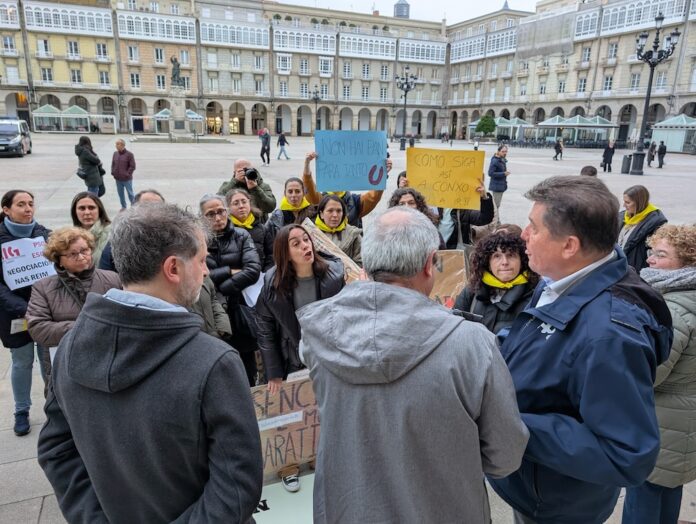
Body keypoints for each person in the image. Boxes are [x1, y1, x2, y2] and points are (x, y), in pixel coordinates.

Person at [298, 207, 529, 523]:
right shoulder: (474, 344)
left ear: (367, 264)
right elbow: (504, 455)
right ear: (428, 264)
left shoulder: (315, 334)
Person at [37, 203, 263, 523]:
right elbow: (237, 486)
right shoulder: (214, 362)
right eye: (200, 260)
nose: (205, 271)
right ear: (173, 268)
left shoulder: (72, 344)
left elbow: (56, 453)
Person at [488, 176, 673, 524]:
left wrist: (507, 422)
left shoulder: (609, 335)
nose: (523, 236)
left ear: (570, 245)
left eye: (533, 227)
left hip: (556, 504)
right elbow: (544, 341)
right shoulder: (568, 278)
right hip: (535, 485)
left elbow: (626, 454)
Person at [255, 224, 344, 492]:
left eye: (306, 239)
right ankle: (289, 465)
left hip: (327, 356)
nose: (306, 245)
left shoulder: (334, 275)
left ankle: (318, 455)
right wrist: (273, 372)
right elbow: (265, 329)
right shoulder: (272, 285)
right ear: (285, 253)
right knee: (292, 413)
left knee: (323, 409)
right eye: (296, 243)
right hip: (291, 356)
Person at [622, 224, 696, 524]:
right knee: (669, 489)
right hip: (683, 421)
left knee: (644, 497)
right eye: (652, 251)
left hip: (661, 422)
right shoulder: (682, 298)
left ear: (688, 262)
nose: (650, 259)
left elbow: (651, 374)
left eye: (661, 255)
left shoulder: (674, 309)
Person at [26, 227, 121, 389]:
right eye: (72, 254)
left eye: (85, 250)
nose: (81, 257)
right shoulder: (43, 287)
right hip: (64, 371)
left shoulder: (112, 279)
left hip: (106, 367)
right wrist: (83, 327)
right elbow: (37, 328)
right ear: (58, 259)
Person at [0, 190, 51, 436]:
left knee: (47, 361)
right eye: (21, 204)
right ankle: (22, 410)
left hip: (45, 314)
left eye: (31, 203)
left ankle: (54, 406)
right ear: (6, 209)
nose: (28, 208)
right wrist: (24, 309)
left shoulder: (45, 235)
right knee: (22, 362)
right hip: (15, 315)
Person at [200, 194, 262, 387]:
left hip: (240, 309)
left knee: (247, 363)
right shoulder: (198, 240)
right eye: (211, 214)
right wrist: (229, 270)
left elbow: (253, 270)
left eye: (220, 211)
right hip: (212, 311)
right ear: (202, 217)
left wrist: (223, 286)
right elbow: (201, 275)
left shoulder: (241, 235)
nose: (217, 217)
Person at [454, 231, 539, 336]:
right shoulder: (473, 290)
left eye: (511, 255)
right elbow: (455, 328)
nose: (505, 262)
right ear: (487, 263)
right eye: (497, 256)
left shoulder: (536, 292)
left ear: (522, 261)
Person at [302, 151, 389, 228]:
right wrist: (307, 165)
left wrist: (382, 173)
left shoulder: (356, 202)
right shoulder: (320, 200)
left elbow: (373, 197)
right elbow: (309, 189)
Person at [98, 189, 165, 272]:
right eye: (146, 206)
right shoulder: (118, 242)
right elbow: (106, 278)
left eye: (159, 207)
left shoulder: (176, 239)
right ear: (134, 210)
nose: (153, 211)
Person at [618, 185, 668, 272]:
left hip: (635, 269)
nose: (624, 205)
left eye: (628, 202)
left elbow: (655, 249)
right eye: (624, 201)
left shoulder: (656, 221)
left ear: (639, 202)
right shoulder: (623, 215)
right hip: (619, 265)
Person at [226, 188, 274, 271]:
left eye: (244, 202)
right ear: (228, 207)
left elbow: (271, 254)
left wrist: (266, 273)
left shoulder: (262, 229)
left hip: (260, 277)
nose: (241, 206)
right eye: (236, 203)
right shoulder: (225, 230)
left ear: (249, 203)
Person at [437, 185, 494, 250]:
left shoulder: (463, 209)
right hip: (431, 252)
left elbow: (484, 218)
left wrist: (485, 198)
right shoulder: (430, 206)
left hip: (453, 253)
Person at [315, 194, 362, 265]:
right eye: (330, 211)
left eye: (339, 211)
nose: (335, 215)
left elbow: (361, 261)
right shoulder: (311, 234)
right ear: (321, 214)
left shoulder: (353, 234)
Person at [70, 192, 111, 264]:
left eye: (91, 208)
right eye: (82, 208)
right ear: (75, 212)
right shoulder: (70, 237)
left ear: (99, 210)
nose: (87, 212)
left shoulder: (112, 234)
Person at [189, 275, 232, 340]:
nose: (207, 271)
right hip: (195, 342)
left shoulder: (203, 273)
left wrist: (222, 328)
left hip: (215, 338)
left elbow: (213, 298)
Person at [110, 138, 136, 209]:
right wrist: (113, 172)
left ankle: (133, 207)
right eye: (116, 144)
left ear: (123, 145)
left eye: (117, 144)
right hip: (118, 179)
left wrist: (127, 174)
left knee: (130, 194)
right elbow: (113, 164)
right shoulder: (115, 154)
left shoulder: (129, 154)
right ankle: (123, 207)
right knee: (120, 194)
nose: (116, 145)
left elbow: (132, 166)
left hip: (127, 179)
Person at [488, 144, 509, 210]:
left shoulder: (501, 159)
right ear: (498, 151)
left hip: (500, 185)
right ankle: (495, 220)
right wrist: (503, 174)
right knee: (495, 206)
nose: (505, 153)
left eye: (506, 151)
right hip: (497, 186)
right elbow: (490, 173)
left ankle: (497, 220)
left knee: (496, 205)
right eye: (503, 151)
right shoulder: (495, 160)